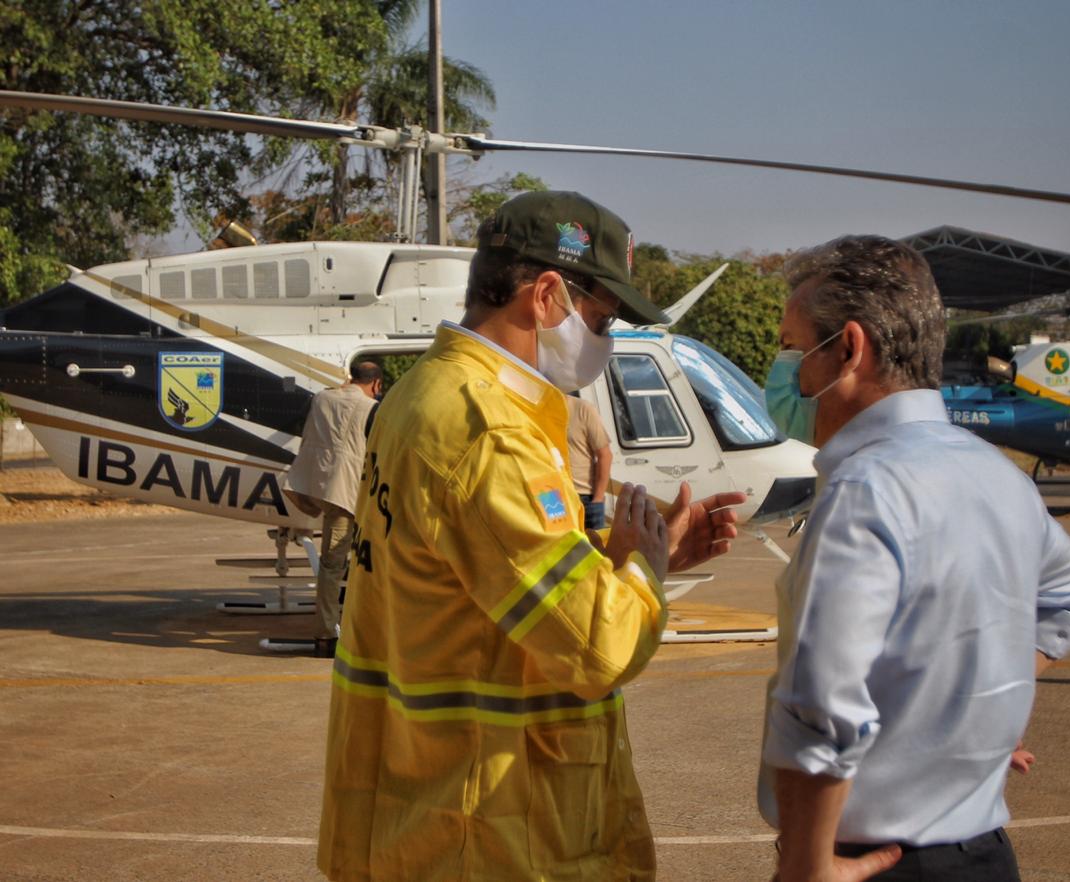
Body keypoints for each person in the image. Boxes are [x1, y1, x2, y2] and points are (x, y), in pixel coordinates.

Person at [317, 191, 746, 882]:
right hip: (495, 833)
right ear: (546, 296)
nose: (604, 341)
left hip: (427, 809)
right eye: (601, 318)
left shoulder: (419, 395)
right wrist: (644, 576)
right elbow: (597, 649)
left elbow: (481, 584)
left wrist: (618, 556)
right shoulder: (492, 432)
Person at [758, 235, 1070, 882]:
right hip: (986, 855)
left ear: (849, 349)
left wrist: (804, 865)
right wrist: (973, 710)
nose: (785, 369)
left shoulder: (865, 490)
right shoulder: (994, 472)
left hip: (876, 861)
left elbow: (821, 704)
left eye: (791, 346)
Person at [283, 361, 383, 659]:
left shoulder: (322, 397)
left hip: (328, 490)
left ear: (350, 376)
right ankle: (349, 630)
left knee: (330, 566)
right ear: (376, 384)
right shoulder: (372, 408)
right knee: (363, 563)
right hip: (355, 493)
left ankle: (326, 632)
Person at [566, 393, 613, 529]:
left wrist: (597, 499)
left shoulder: (582, 408)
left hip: (584, 496)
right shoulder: (537, 410)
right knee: (562, 548)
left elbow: (605, 455)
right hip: (553, 494)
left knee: (593, 546)